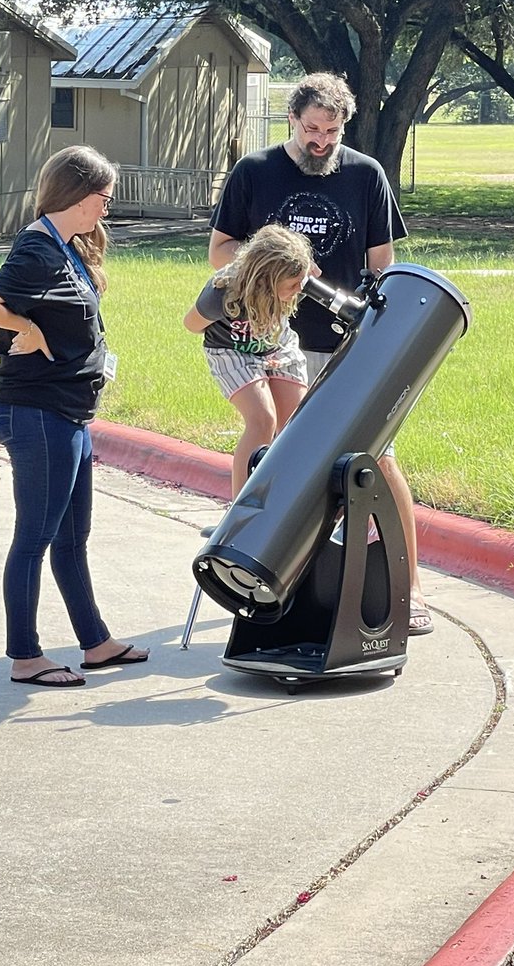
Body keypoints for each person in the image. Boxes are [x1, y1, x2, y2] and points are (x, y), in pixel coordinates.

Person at [208, 72, 434, 635]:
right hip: (274, 341)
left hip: (347, 346)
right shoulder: (254, 173)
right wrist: (274, 267)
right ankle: (264, 567)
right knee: (286, 461)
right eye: (312, 128)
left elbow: (383, 261)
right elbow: (219, 252)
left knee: (378, 460)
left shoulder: (366, 174)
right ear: (292, 120)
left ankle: (413, 588)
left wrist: (383, 331)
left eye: (331, 131)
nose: (321, 140)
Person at [0, 146, 149, 686]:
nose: (107, 210)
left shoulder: (65, 247)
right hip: (36, 412)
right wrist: (26, 329)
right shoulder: (38, 251)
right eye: (104, 198)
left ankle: (96, 643)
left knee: (72, 539)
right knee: (35, 538)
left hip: (67, 413)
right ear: (80, 195)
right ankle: (25, 657)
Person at [184, 223, 314, 498]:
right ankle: (242, 508)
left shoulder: (294, 280)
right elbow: (191, 324)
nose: (297, 290)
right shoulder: (222, 293)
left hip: (276, 345)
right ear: (265, 279)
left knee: (297, 425)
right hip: (232, 351)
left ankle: (285, 498)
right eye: (291, 285)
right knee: (262, 419)